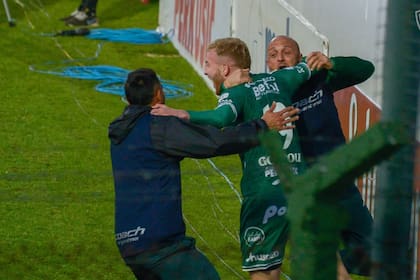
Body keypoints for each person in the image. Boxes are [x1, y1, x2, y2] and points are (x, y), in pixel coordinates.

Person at [151, 37, 328, 280]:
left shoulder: (236, 93)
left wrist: (180, 113)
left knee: (263, 271)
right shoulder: (279, 78)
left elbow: (220, 119)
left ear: (224, 70)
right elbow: (335, 66)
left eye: (207, 63)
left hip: (266, 191)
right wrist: (325, 61)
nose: (204, 69)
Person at [108, 67, 300, 280]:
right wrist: (262, 125)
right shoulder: (157, 127)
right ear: (159, 94)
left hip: (130, 244)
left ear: (126, 98)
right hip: (162, 245)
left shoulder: (120, 132)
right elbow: (214, 142)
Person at [266, 35, 375, 279]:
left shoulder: (318, 77)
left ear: (301, 57)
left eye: (286, 52)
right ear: (268, 64)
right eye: (273, 55)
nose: (280, 58)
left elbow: (366, 68)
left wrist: (332, 63)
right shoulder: (265, 94)